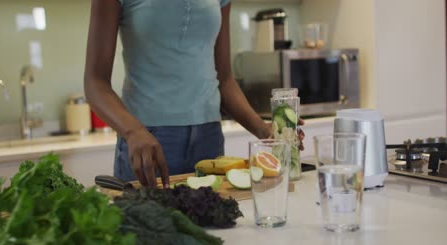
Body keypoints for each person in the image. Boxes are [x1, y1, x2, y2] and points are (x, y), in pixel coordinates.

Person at [84, 0, 305, 189]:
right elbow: (95, 82)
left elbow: (225, 79)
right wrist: (133, 132)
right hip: (149, 144)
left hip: (209, 141)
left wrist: (264, 130)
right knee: (145, 235)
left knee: (215, 234)